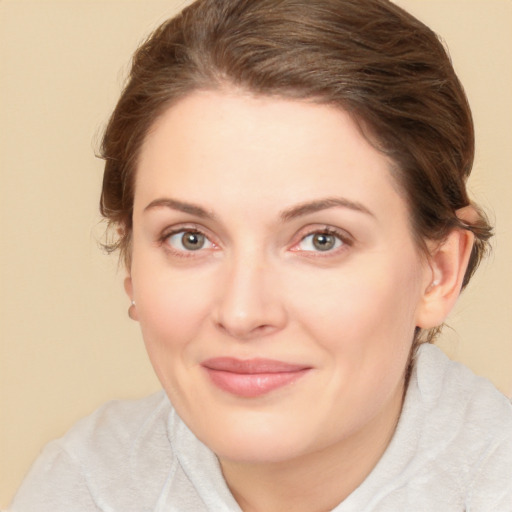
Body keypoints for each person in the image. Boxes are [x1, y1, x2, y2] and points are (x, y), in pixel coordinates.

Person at [10, 0, 512, 510]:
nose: (243, 313)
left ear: (440, 272)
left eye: (322, 239)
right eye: (190, 238)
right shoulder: (81, 486)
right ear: (130, 265)